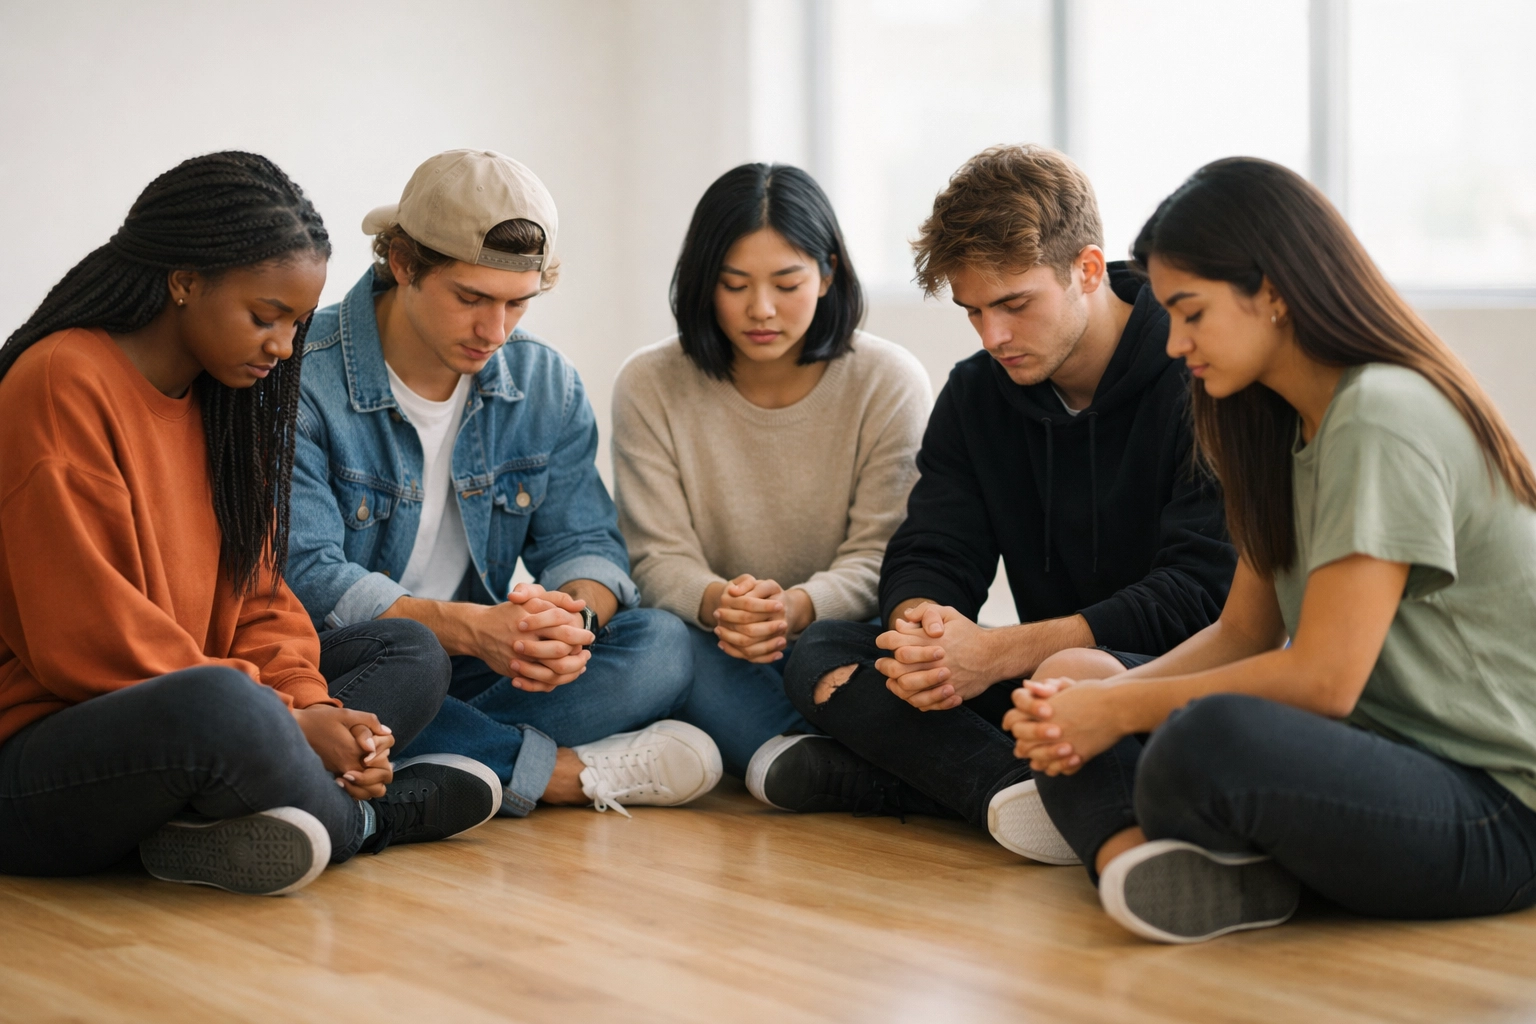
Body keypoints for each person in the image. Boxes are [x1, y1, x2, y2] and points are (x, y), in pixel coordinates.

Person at [1002, 156, 1536, 943]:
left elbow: (1321, 679)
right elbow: (1243, 634)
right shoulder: (1276, 428)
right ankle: (1137, 862)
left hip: (1497, 809)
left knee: (1203, 738)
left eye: (1191, 313)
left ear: (1274, 293)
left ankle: (1133, 827)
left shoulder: (1380, 413)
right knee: (1066, 677)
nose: (1174, 343)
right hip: (1375, 759)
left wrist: (1113, 714)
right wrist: (1082, 704)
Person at [0, 152, 500, 897]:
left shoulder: (228, 404)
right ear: (184, 282)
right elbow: (87, 637)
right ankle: (367, 820)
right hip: (46, 756)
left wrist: (316, 707)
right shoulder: (61, 380)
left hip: (205, 714)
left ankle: (230, 816)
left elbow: (262, 601)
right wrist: (287, 722)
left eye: (298, 323)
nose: (285, 347)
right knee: (223, 707)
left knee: (410, 652)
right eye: (266, 317)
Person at [757, 145, 1236, 856]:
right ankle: (1016, 794)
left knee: (1065, 682)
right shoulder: (978, 392)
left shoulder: (1197, 370)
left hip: (1169, 674)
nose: (994, 337)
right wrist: (921, 628)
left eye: (1014, 304)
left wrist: (997, 651)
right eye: (973, 311)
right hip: (1043, 681)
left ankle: (906, 783)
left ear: (1089, 270)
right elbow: (935, 546)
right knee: (825, 651)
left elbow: (1201, 597)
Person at [285, 149, 721, 819]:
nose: (495, 331)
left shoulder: (544, 383)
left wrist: (564, 622)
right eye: (471, 299)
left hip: (474, 658)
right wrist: (475, 629)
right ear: (403, 263)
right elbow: (309, 575)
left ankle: (434, 749)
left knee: (660, 644)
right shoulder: (300, 377)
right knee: (405, 667)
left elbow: (587, 542)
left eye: (518, 304)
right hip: (352, 661)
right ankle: (557, 774)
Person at [612, 163, 931, 776]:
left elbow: (883, 556)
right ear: (703, 283)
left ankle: (799, 764)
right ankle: (825, 761)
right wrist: (720, 605)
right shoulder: (649, 384)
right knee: (663, 644)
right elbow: (655, 558)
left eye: (787, 284)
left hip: (839, 633)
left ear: (828, 272)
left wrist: (800, 608)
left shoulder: (887, 381)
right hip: (715, 642)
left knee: (859, 647)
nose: (761, 310)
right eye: (735, 285)